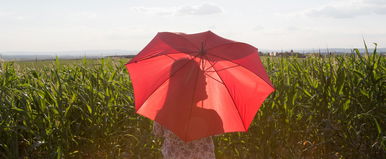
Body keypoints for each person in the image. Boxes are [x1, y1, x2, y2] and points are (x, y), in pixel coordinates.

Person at [152, 58, 220, 159]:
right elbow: (218, 131)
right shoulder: (211, 115)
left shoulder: (163, 115)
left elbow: (158, 133)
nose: (206, 84)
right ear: (190, 85)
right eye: (202, 79)